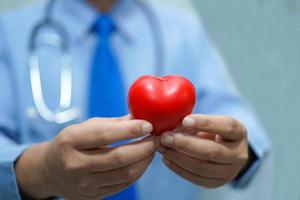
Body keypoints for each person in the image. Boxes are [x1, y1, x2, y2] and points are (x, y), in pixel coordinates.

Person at [0, 0, 271, 199]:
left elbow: (237, 121)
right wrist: (42, 171)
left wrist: (235, 155)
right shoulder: (8, 33)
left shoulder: (185, 31)